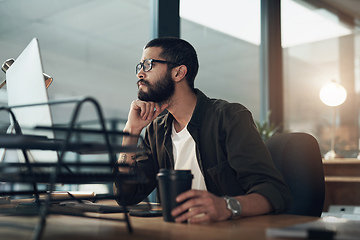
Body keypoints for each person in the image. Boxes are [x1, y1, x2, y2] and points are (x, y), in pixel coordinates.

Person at [114, 37, 292, 223]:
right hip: (176, 233)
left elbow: (274, 192)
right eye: (140, 66)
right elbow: (126, 196)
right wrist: (131, 132)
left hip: (230, 233)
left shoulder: (228, 118)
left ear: (179, 73)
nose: (140, 74)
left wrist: (226, 206)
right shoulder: (156, 130)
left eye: (148, 64)